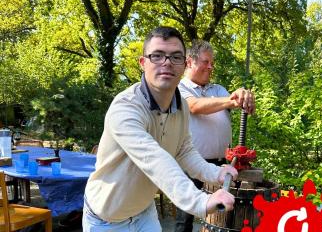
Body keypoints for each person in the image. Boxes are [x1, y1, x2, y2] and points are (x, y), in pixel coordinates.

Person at [82, 26, 238, 232]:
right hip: (106, 220)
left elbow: (184, 150)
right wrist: (199, 201)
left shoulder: (180, 104)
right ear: (143, 63)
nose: (166, 63)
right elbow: (153, 159)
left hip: (144, 212)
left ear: (184, 64)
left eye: (175, 57)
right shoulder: (126, 107)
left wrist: (215, 173)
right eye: (157, 56)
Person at [175, 40, 256, 232]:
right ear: (189, 62)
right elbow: (194, 106)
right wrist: (231, 99)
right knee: (184, 218)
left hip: (220, 165)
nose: (210, 67)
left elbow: (231, 102)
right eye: (205, 61)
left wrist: (243, 98)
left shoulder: (217, 89)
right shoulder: (179, 89)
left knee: (220, 215)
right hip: (191, 164)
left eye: (212, 63)